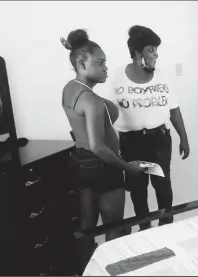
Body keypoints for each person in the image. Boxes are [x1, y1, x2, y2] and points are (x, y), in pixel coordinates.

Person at [60, 29, 145, 267]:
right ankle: (110, 271)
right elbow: (98, 146)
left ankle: (85, 271)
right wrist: (128, 167)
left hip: (81, 164)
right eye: (100, 63)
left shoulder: (70, 89)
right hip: (103, 167)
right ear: (81, 63)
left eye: (105, 62)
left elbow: (87, 140)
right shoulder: (92, 101)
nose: (105, 67)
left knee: (87, 228)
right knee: (114, 229)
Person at [111, 25, 190, 231]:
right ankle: (144, 230)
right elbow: (107, 115)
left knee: (163, 186)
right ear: (138, 53)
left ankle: (166, 227)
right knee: (138, 190)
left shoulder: (163, 77)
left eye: (156, 49)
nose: (156, 54)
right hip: (131, 143)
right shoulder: (116, 77)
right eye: (151, 50)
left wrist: (184, 138)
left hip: (159, 141)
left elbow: (174, 110)